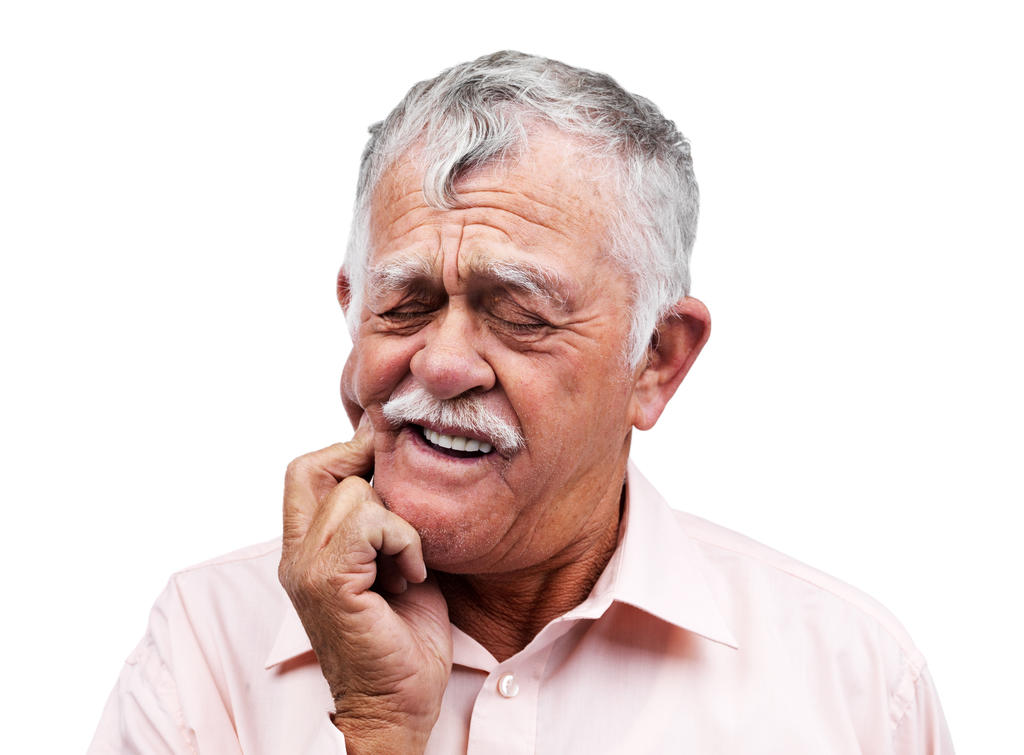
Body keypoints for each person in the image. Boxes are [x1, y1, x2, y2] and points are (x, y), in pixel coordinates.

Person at [89, 51, 954, 754]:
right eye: (405, 303)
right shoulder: (204, 649)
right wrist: (378, 729)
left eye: (519, 314)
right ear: (352, 310)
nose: (441, 363)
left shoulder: (854, 684)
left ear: (656, 360)